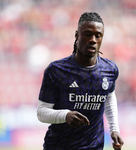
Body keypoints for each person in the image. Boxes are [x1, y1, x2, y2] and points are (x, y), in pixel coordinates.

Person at [37, 12, 124, 150]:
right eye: (88, 34)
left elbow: (108, 96)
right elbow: (41, 112)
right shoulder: (56, 70)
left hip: (94, 147)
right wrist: (65, 115)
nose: (93, 40)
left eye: (98, 35)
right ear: (77, 35)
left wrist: (114, 128)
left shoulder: (110, 69)